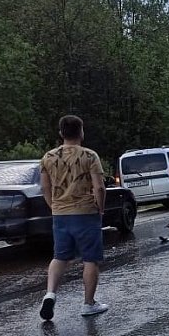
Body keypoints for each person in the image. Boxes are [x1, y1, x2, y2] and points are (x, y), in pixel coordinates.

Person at [39, 115, 109, 320]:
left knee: (60, 256)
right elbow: (99, 187)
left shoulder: (48, 158)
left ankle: (50, 293)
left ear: (61, 133)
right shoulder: (89, 156)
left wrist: (54, 206)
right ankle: (88, 303)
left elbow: (45, 187)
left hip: (60, 214)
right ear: (81, 132)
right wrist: (100, 207)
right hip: (85, 213)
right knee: (90, 259)